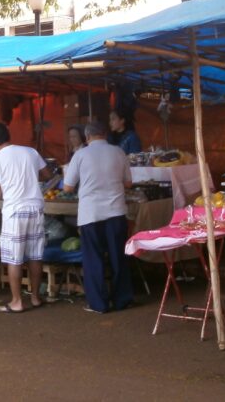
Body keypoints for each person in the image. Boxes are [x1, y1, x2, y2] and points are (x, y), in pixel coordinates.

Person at [63, 120, 134, 313]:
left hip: (91, 214)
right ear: (105, 133)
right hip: (116, 212)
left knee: (93, 259)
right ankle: (122, 300)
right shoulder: (119, 152)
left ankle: (98, 304)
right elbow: (128, 183)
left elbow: (68, 187)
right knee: (118, 257)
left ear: (87, 137)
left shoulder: (80, 154)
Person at [0, 122, 51, 313]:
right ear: (8, 135)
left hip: (14, 211)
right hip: (36, 207)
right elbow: (47, 174)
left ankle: (17, 301)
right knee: (35, 256)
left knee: (14, 258)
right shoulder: (30, 151)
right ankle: (36, 298)